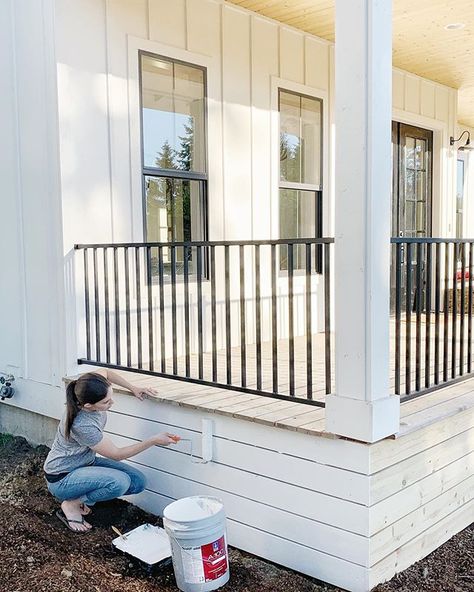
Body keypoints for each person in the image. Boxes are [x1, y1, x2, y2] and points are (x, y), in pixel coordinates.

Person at [44, 369, 180, 533]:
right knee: (119, 482)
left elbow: (106, 372)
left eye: (111, 397)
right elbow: (117, 454)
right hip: (62, 477)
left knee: (138, 481)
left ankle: (82, 499)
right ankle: (72, 504)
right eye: (106, 402)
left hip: (85, 463)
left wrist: (133, 387)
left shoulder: (86, 387)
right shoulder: (82, 424)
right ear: (88, 405)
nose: (112, 403)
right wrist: (153, 441)